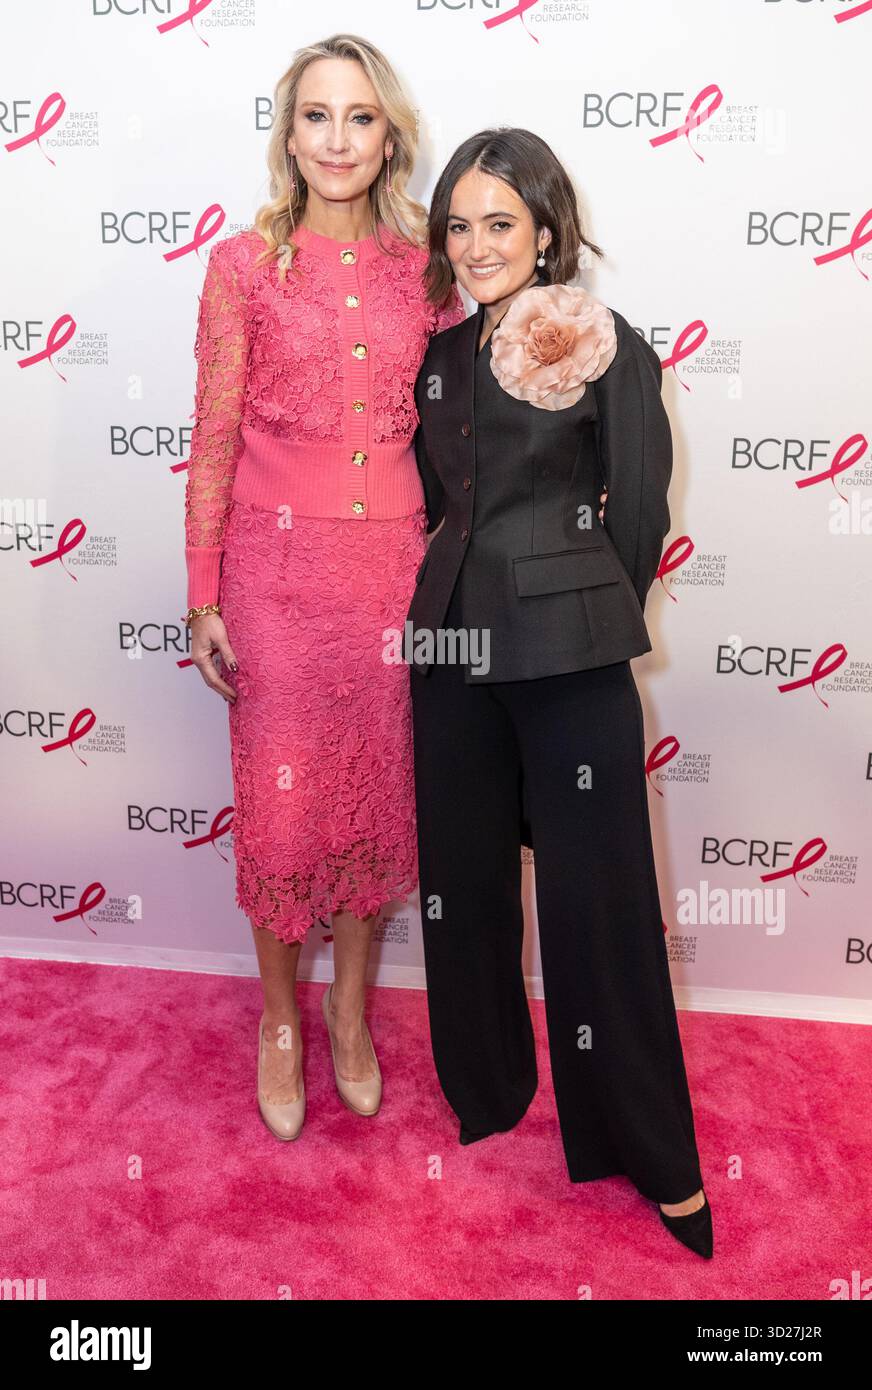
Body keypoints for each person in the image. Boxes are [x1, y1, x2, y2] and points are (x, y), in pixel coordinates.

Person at [404, 127, 713, 1258]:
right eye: (459, 224)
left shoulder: (602, 339)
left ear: (544, 229)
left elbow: (635, 511)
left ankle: (648, 1149)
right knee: (461, 884)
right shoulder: (434, 356)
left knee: (600, 905)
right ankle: (485, 1086)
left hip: (569, 652)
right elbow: (439, 502)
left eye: (500, 223)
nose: (478, 245)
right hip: (445, 653)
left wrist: (583, 610)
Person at [182, 34, 464, 1142]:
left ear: (386, 134)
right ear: (287, 134)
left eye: (357, 117)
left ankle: (348, 1013)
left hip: (392, 579)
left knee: (375, 806)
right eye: (315, 116)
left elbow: (453, 436)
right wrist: (204, 595)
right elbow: (210, 437)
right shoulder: (243, 267)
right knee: (287, 809)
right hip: (273, 574)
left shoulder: (423, 269)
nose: (336, 139)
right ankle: (280, 1023)